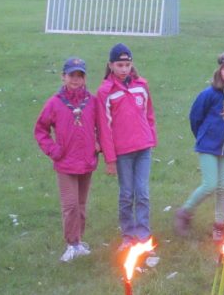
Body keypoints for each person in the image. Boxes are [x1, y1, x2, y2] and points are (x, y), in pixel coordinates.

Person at [174, 52, 224, 242]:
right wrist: (204, 136)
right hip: (208, 146)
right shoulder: (209, 94)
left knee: (223, 188)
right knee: (210, 184)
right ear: (220, 71)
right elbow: (195, 117)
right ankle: (184, 213)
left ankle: (219, 226)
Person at [34, 57, 99, 262]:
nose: (76, 79)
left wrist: (98, 145)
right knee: (70, 206)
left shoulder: (92, 101)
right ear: (63, 77)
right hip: (65, 163)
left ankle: (78, 242)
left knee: (81, 206)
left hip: (86, 161)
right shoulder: (55, 103)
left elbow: (102, 127)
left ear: (85, 78)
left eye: (80, 75)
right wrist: (54, 150)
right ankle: (71, 244)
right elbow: (41, 130)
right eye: (72, 75)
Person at [95, 43, 157, 248]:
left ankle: (144, 235)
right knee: (127, 194)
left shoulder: (141, 85)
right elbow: (104, 128)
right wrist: (110, 159)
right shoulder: (105, 92)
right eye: (119, 65)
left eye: (127, 65)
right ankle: (128, 235)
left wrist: (151, 137)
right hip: (122, 152)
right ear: (111, 65)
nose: (124, 69)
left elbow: (149, 114)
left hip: (143, 149)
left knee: (143, 193)